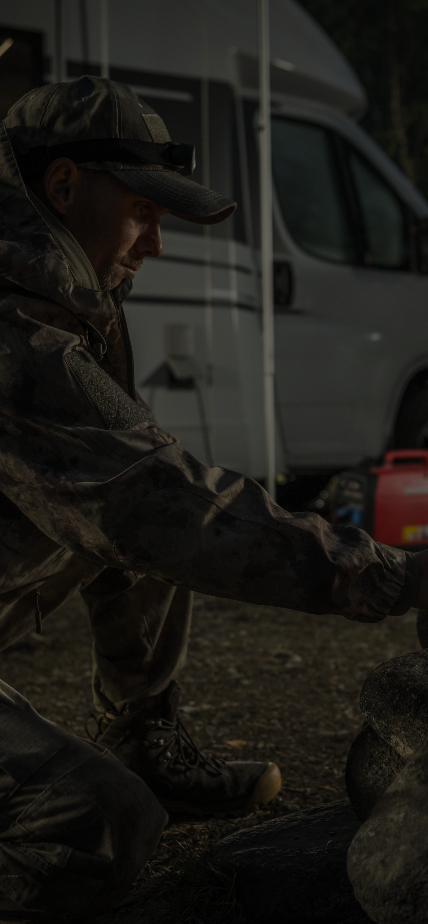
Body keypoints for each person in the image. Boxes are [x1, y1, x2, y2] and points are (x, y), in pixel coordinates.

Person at [0, 74, 427, 920]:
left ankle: (143, 734)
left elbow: (141, 487)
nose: (155, 244)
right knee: (97, 822)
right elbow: (158, 505)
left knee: (144, 500)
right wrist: (389, 575)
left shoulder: (66, 303)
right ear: (62, 186)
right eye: (144, 213)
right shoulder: (18, 341)